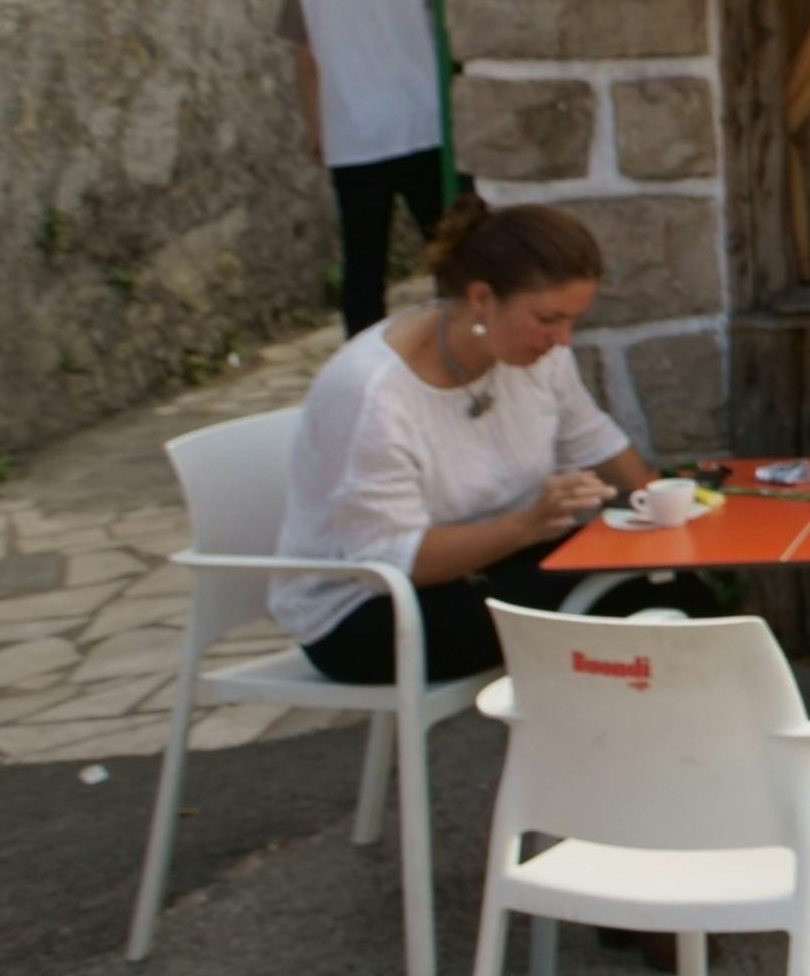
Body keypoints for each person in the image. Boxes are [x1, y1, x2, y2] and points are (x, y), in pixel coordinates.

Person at [276, 200, 657, 686]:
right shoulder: (371, 394)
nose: (562, 339)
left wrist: (664, 504)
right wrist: (526, 526)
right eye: (548, 318)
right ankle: (605, 751)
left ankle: (641, 749)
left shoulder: (535, 353)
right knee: (613, 600)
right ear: (481, 298)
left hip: (483, 569)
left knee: (653, 579)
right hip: (367, 613)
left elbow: (592, 440)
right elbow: (396, 559)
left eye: (572, 320)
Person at [283, 0, 444, 336]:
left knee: (363, 264)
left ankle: (364, 364)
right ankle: (464, 347)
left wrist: (317, 128)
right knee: (453, 251)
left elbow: (305, 58)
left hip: (354, 135)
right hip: (427, 127)